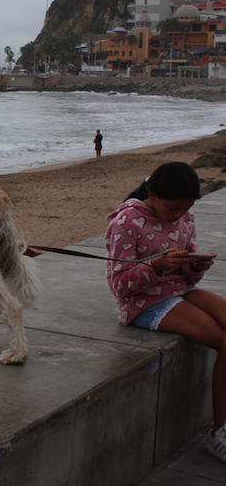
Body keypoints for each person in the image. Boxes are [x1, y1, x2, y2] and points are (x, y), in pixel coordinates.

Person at [104, 162, 226, 463]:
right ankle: (219, 432)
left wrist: (193, 266)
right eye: (173, 208)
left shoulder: (186, 218)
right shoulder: (126, 223)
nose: (179, 216)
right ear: (153, 194)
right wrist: (156, 265)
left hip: (180, 291)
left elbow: (186, 276)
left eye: (185, 209)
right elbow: (120, 286)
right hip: (144, 303)